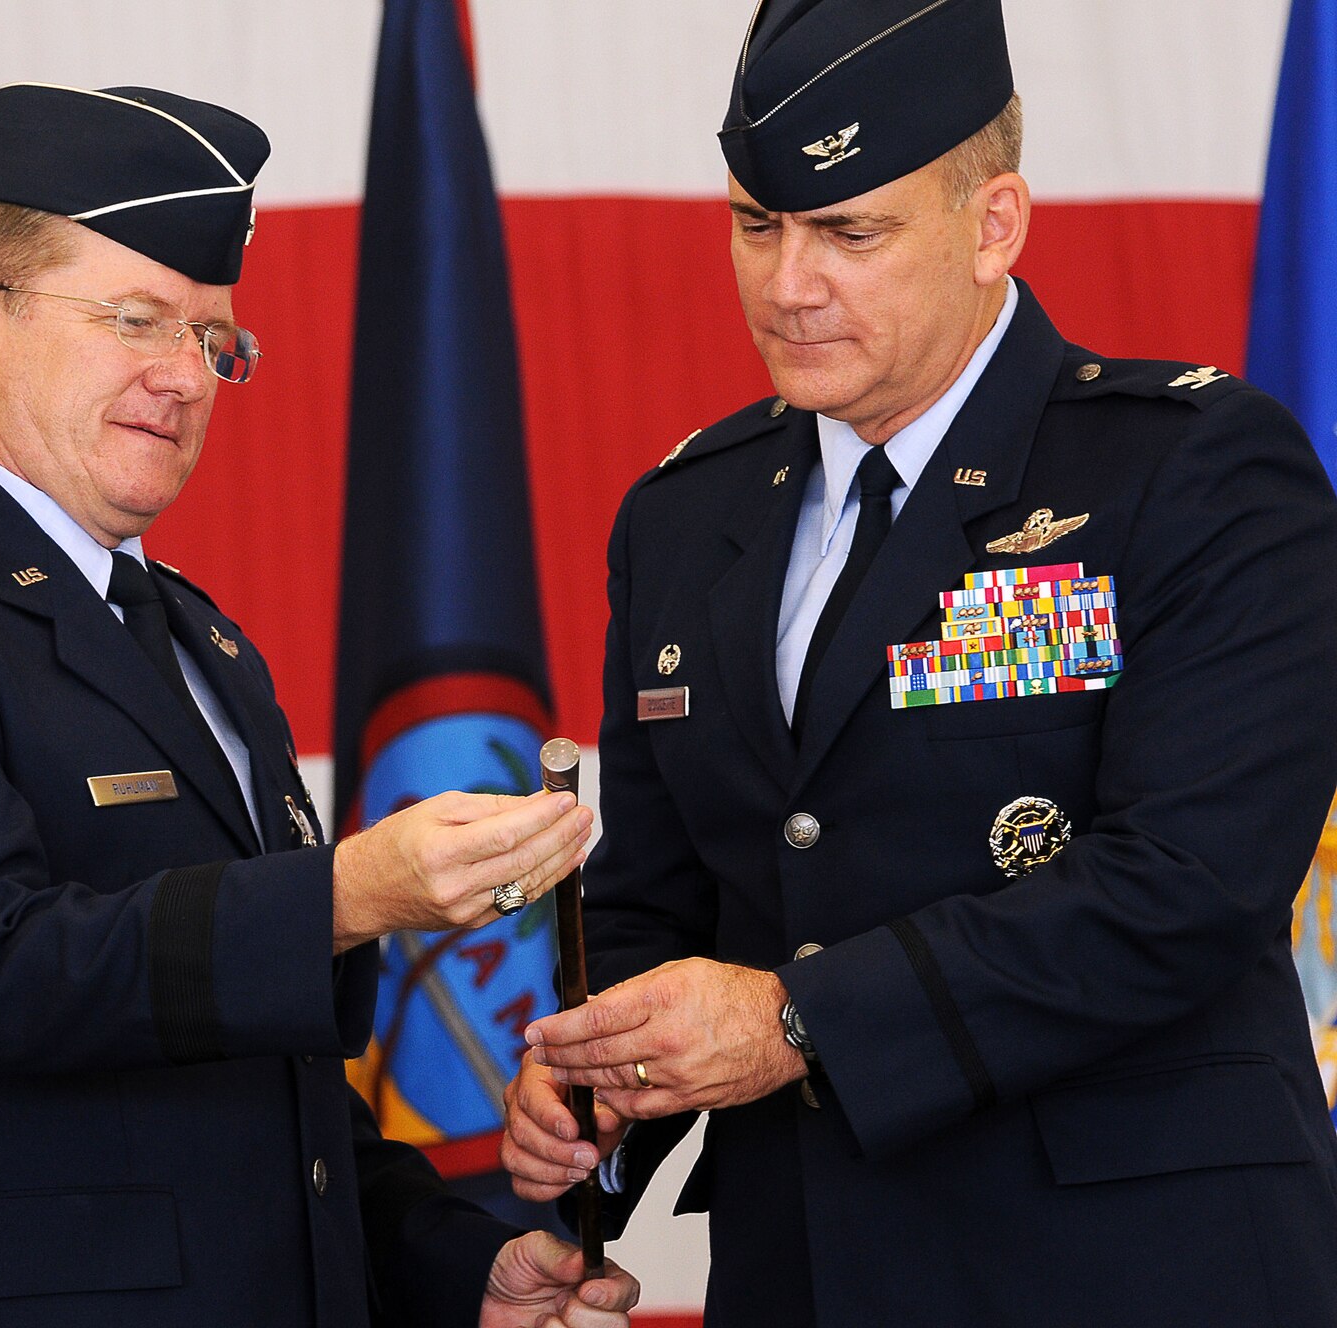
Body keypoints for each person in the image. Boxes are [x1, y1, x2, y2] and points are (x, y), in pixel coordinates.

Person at [0, 82, 638, 1328]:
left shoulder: (202, 643)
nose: (185, 377)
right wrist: (348, 893)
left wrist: (448, 1263)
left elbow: (269, 1099)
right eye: (135, 320)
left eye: (213, 341)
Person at [499, 2, 1337, 1324]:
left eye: (852, 232)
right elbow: (670, 900)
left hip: (1133, 1269)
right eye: (755, 224)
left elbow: (1190, 884)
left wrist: (792, 1020)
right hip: (809, 1273)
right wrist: (592, 1091)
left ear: (993, 224)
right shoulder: (679, 517)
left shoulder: (1192, 469)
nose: (787, 284)